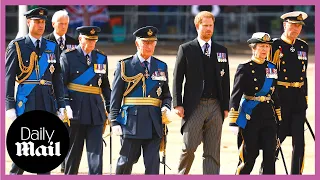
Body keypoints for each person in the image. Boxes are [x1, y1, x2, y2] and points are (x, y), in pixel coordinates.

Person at [5, 7, 68, 175]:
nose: (41, 25)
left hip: (47, 102)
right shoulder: (17, 46)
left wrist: (61, 104)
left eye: (43, 22)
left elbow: (57, 78)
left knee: (45, 148)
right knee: (24, 147)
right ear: (28, 22)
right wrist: (9, 105)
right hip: (26, 101)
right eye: (37, 21)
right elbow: (8, 78)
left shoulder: (52, 47)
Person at [173, 11, 230, 174]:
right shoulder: (186, 49)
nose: (208, 29)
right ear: (197, 26)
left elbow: (225, 80)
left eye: (211, 25)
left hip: (215, 106)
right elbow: (177, 78)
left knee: (212, 151)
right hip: (194, 106)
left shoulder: (221, 50)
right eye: (205, 25)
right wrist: (178, 104)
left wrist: (225, 106)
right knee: (189, 147)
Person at [109, 26, 172, 174]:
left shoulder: (161, 66)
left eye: (152, 42)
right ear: (137, 44)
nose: (149, 46)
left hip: (154, 123)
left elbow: (166, 94)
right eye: (146, 42)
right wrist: (114, 121)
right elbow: (116, 96)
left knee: (153, 167)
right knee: (125, 163)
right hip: (131, 124)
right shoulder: (125, 65)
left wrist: (166, 107)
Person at [261, 11, 309, 175]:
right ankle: (266, 172)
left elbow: (304, 76)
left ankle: (296, 174)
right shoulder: (274, 46)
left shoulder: (303, 46)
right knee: (276, 140)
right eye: (293, 25)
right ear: (284, 25)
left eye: (299, 26)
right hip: (280, 98)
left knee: (300, 143)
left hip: (298, 99)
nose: (296, 29)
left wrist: (305, 99)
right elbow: (268, 74)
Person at [227, 32, 282, 174]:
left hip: (268, 117)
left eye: (267, 46)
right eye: (261, 46)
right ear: (253, 48)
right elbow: (236, 94)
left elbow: (274, 93)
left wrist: (279, 116)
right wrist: (233, 121)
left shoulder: (272, 67)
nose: (264, 50)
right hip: (250, 116)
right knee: (249, 156)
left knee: (270, 156)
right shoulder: (244, 68)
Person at [60, 26, 111, 175]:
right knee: (73, 154)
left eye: (94, 40)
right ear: (80, 39)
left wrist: (111, 107)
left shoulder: (101, 58)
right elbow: (61, 83)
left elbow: (105, 86)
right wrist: (65, 104)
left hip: (96, 112)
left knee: (96, 154)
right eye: (88, 40)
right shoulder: (68, 56)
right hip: (75, 112)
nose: (91, 43)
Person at [43, 9, 78, 173]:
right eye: (60, 24)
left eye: (66, 24)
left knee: (67, 129)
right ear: (53, 24)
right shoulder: (44, 42)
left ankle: (66, 164)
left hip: (68, 93)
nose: (64, 27)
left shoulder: (74, 42)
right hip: (49, 92)